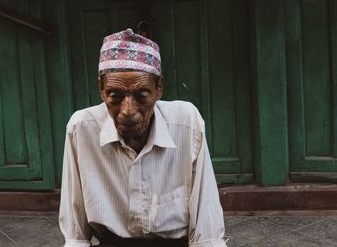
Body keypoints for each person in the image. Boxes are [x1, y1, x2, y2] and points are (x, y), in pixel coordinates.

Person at [59, 28, 227, 247]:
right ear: (101, 90)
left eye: (141, 96)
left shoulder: (186, 123)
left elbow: (207, 225)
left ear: (159, 88)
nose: (128, 110)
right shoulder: (81, 128)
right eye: (115, 96)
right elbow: (76, 233)